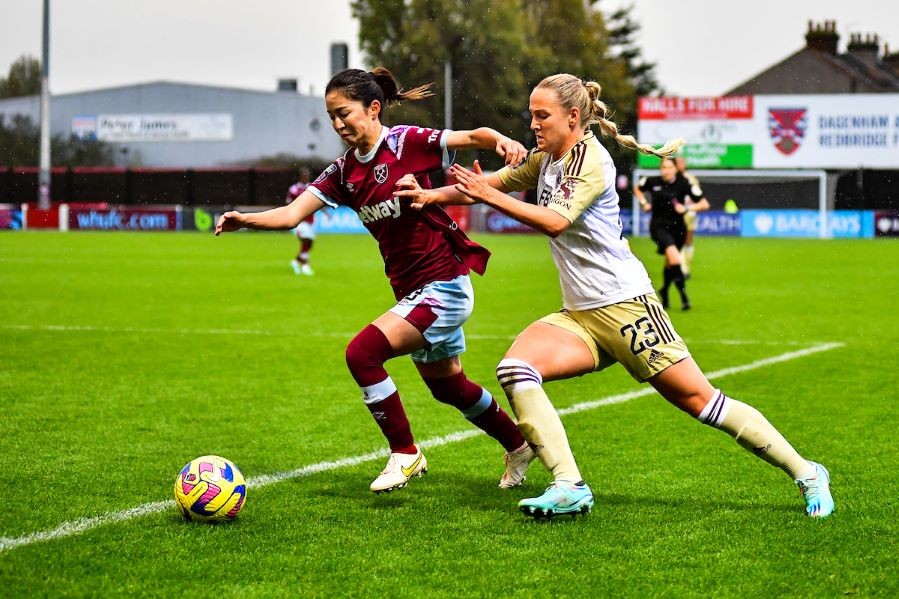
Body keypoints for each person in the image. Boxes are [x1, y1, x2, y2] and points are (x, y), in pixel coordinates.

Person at [396, 73, 834, 520]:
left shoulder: (590, 160)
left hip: (627, 307)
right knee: (515, 369)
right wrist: (431, 194)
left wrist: (487, 194)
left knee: (703, 404)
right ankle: (569, 485)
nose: (534, 124)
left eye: (542, 115)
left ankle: (808, 472)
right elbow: (492, 183)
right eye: (531, 115)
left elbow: (553, 220)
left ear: (572, 116)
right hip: (580, 316)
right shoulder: (545, 157)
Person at [215, 67, 536, 494]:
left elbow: (471, 136)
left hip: (444, 286)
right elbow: (292, 214)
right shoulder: (344, 172)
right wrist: (246, 220)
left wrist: (499, 139)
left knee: (362, 354)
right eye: (331, 116)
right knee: (449, 387)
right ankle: (518, 445)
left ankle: (405, 453)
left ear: (373, 108)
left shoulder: (404, 142)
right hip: (412, 292)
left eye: (344, 113)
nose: (338, 124)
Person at [633, 157, 707, 310]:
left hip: (678, 228)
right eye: (663, 167)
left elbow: (704, 203)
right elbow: (637, 188)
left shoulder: (684, 184)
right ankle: (684, 297)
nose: (665, 170)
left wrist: (687, 209)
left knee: (670, 262)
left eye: (668, 167)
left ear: (675, 169)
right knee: (675, 259)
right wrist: (644, 203)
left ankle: (665, 290)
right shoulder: (652, 181)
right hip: (658, 227)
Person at [674, 156, 709, 278]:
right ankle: (679, 268)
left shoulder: (691, 178)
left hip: (688, 212)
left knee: (687, 240)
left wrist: (691, 207)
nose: (679, 164)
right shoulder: (671, 178)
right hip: (675, 213)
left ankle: (686, 269)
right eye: (677, 162)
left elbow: (697, 196)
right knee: (676, 241)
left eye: (681, 162)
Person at [287, 167, 316, 275]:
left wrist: (325, 212)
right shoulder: (294, 189)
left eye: (307, 175)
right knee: (306, 240)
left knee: (309, 244)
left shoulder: (312, 187)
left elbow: (317, 200)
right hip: (299, 220)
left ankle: (295, 261)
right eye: (304, 175)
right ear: (300, 176)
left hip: (310, 220)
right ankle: (305, 266)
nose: (306, 177)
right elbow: (289, 204)